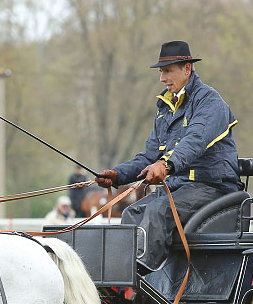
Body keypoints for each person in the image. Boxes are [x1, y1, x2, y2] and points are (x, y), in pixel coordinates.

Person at [95, 40, 242, 271]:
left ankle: (138, 280)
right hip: (179, 188)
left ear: (187, 68)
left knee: (157, 211)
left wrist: (166, 165)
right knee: (132, 213)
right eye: (161, 72)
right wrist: (117, 175)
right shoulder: (165, 107)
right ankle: (122, 277)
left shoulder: (210, 102)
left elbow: (195, 140)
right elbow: (148, 157)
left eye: (167, 71)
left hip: (212, 187)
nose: (162, 78)